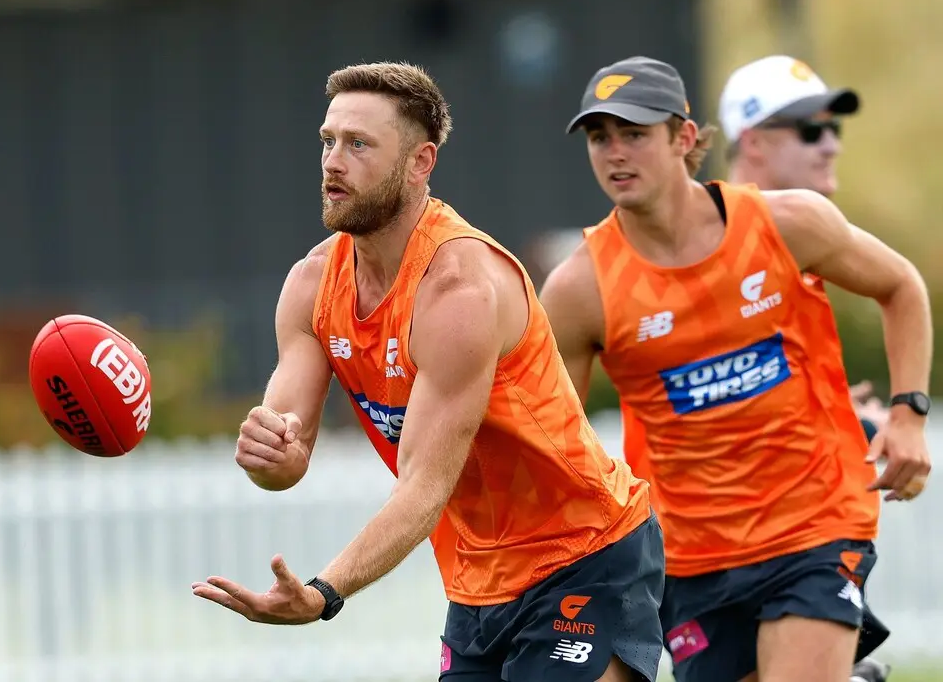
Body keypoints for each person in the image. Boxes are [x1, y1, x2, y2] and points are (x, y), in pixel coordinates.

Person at [190, 61, 666, 682]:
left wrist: (324, 592)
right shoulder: (311, 284)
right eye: (327, 141)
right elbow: (287, 444)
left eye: (359, 144)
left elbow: (423, 485)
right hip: (475, 580)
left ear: (421, 164)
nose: (334, 161)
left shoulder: (458, 290)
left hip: (584, 555)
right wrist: (272, 458)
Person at [539, 55, 932, 682]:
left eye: (634, 133)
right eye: (599, 136)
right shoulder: (578, 290)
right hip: (689, 556)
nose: (615, 153)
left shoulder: (787, 222)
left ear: (685, 138)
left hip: (816, 521)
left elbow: (901, 286)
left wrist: (910, 414)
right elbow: (552, 441)